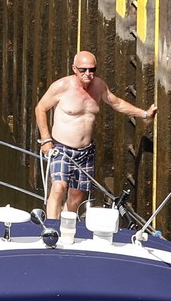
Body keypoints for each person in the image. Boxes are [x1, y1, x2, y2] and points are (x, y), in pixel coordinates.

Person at [34, 51, 156, 220]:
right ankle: (51, 229)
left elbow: (117, 103)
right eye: (83, 70)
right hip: (62, 148)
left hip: (86, 152)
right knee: (58, 187)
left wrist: (144, 114)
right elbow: (40, 108)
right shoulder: (61, 87)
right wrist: (46, 140)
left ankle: (65, 224)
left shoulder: (99, 86)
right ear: (74, 69)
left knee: (77, 196)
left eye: (92, 70)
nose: (88, 74)